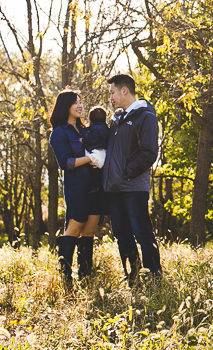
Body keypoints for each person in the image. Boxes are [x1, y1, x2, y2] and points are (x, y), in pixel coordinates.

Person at [103, 74, 162, 283]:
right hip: (114, 188)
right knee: (121, 235)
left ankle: (154, 278)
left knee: (142, 233)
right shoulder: (117, 118)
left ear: (124, 90)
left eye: (112, 92)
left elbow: (148, 153)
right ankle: (133, 277)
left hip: (133, 187)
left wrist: (125, 172)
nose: (110, 97)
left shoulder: (144, 115)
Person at [48, 90, 104, 285]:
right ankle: (66, 278)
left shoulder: (87, 130)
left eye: (81, 102)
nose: (80, 106)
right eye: (75, 103)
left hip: (96, 187)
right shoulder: (59, 133)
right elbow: (66, 163)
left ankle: (86, 278)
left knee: (89, 231)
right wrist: (90, 158)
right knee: (73, 229)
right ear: (66, 106)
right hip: (77, 187)